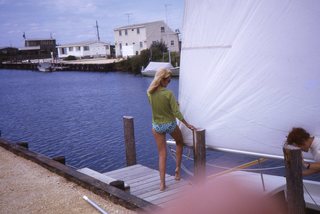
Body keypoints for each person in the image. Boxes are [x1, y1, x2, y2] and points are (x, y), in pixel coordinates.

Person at [147, 68, 195, 191]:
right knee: (180, 142)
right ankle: (177, 171)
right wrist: (187, 124)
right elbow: (176, 113)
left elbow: (156, 108)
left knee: (162, 154)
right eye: (168, 81)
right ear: (162, 80)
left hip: (157, 126)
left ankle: (162, 184)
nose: (169, 83)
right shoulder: (168, 94)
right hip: (170, 125)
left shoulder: (149, 93)